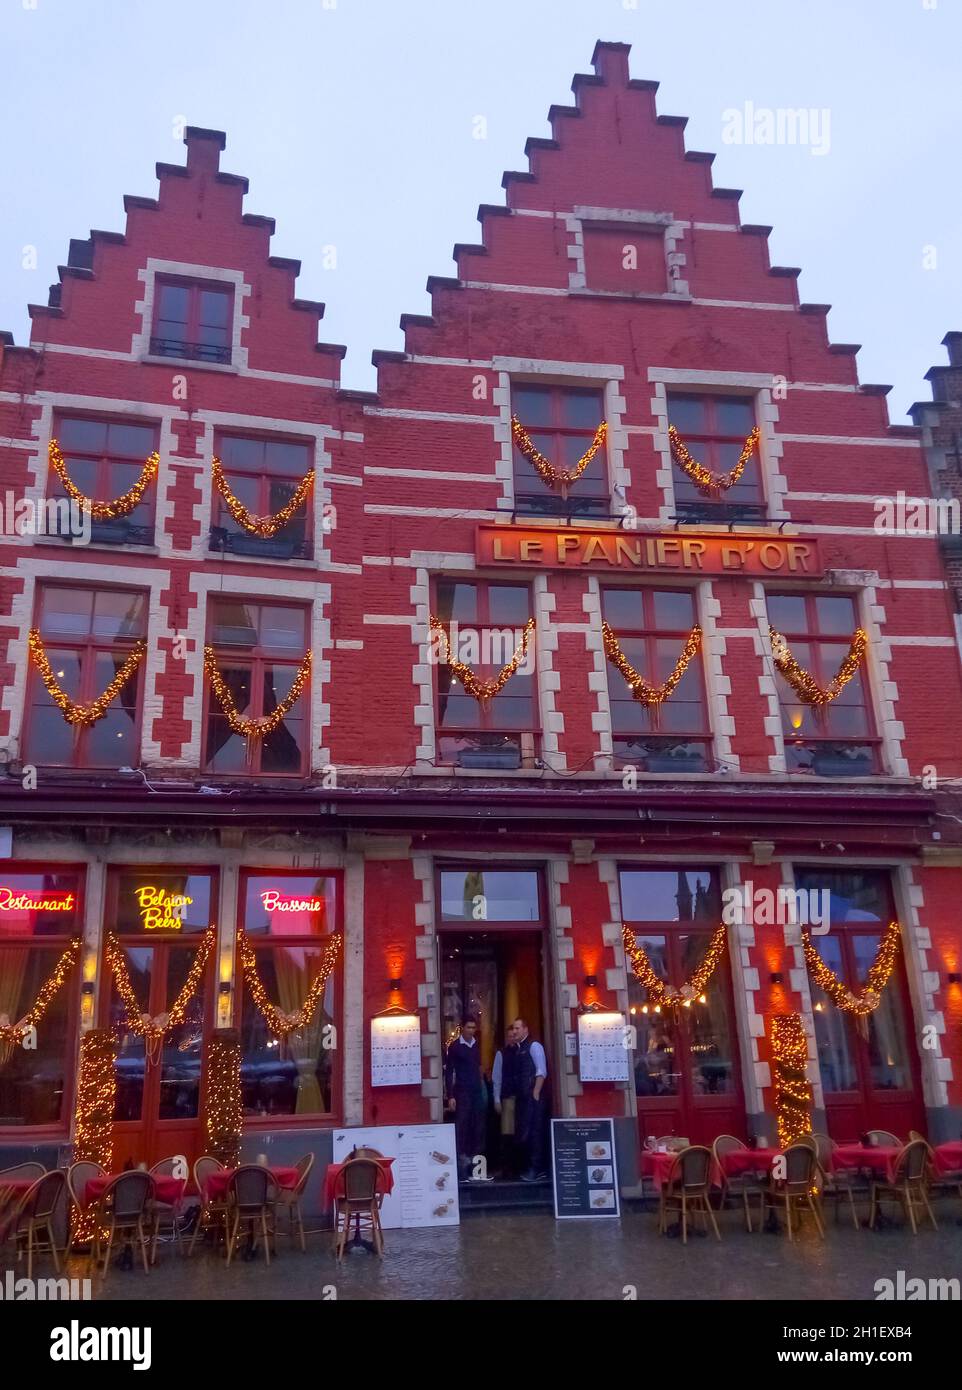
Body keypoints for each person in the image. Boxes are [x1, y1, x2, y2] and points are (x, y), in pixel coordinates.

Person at [444, 1018, 487, 1179]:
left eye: (474, 1027)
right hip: (462, 1092)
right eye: (469, 1027)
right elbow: (449, 1071)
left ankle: (477, 1169)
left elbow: (478, 1067)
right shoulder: (455, 1046)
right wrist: (451, 1095)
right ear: (463, 1028)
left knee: (478, 1127)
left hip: (476, 1091)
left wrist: (482, 1088)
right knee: (462, 1127)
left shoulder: (476, 1044)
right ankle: (462, 1168)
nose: (472, 1030)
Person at [512, 1017, 548, 1182]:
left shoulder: (534, 1046)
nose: (515, 1031)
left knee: (534, 1132)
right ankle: (529, 1167)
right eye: (513, 1028)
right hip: (523, 1099)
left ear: (526, 1029)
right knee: (525, 1132)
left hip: (533, 1098)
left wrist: (536, 1092)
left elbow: (541, 1070)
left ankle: (537, 1168)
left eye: (518, 1028)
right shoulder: (519, 1049)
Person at [492, 1022, 520, 1176]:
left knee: (520, 1133)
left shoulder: (522, 1051)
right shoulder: (501, 1054)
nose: (512, 1038)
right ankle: (506, 1168)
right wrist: (496, 1099)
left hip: (521, 1098)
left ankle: (518, 1166)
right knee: (507, 1134)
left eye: (514, 1035)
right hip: (507, 1098)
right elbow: (497, 1077)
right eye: (510, 1036)